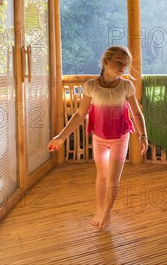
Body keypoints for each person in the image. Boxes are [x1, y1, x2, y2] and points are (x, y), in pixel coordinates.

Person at [48, 46, 148, 230]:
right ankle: (99, 207)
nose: (122, 66)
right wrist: (61, 137)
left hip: (120, 138)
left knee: (112, 179)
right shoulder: (91, 86)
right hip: (99, 139)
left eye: (125, 64)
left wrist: (143, 135)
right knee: (102, 175)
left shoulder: (126, 86)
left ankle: (107, 210)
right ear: (105, 62)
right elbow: (79, 115)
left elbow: (136, 113)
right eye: (118, 62)